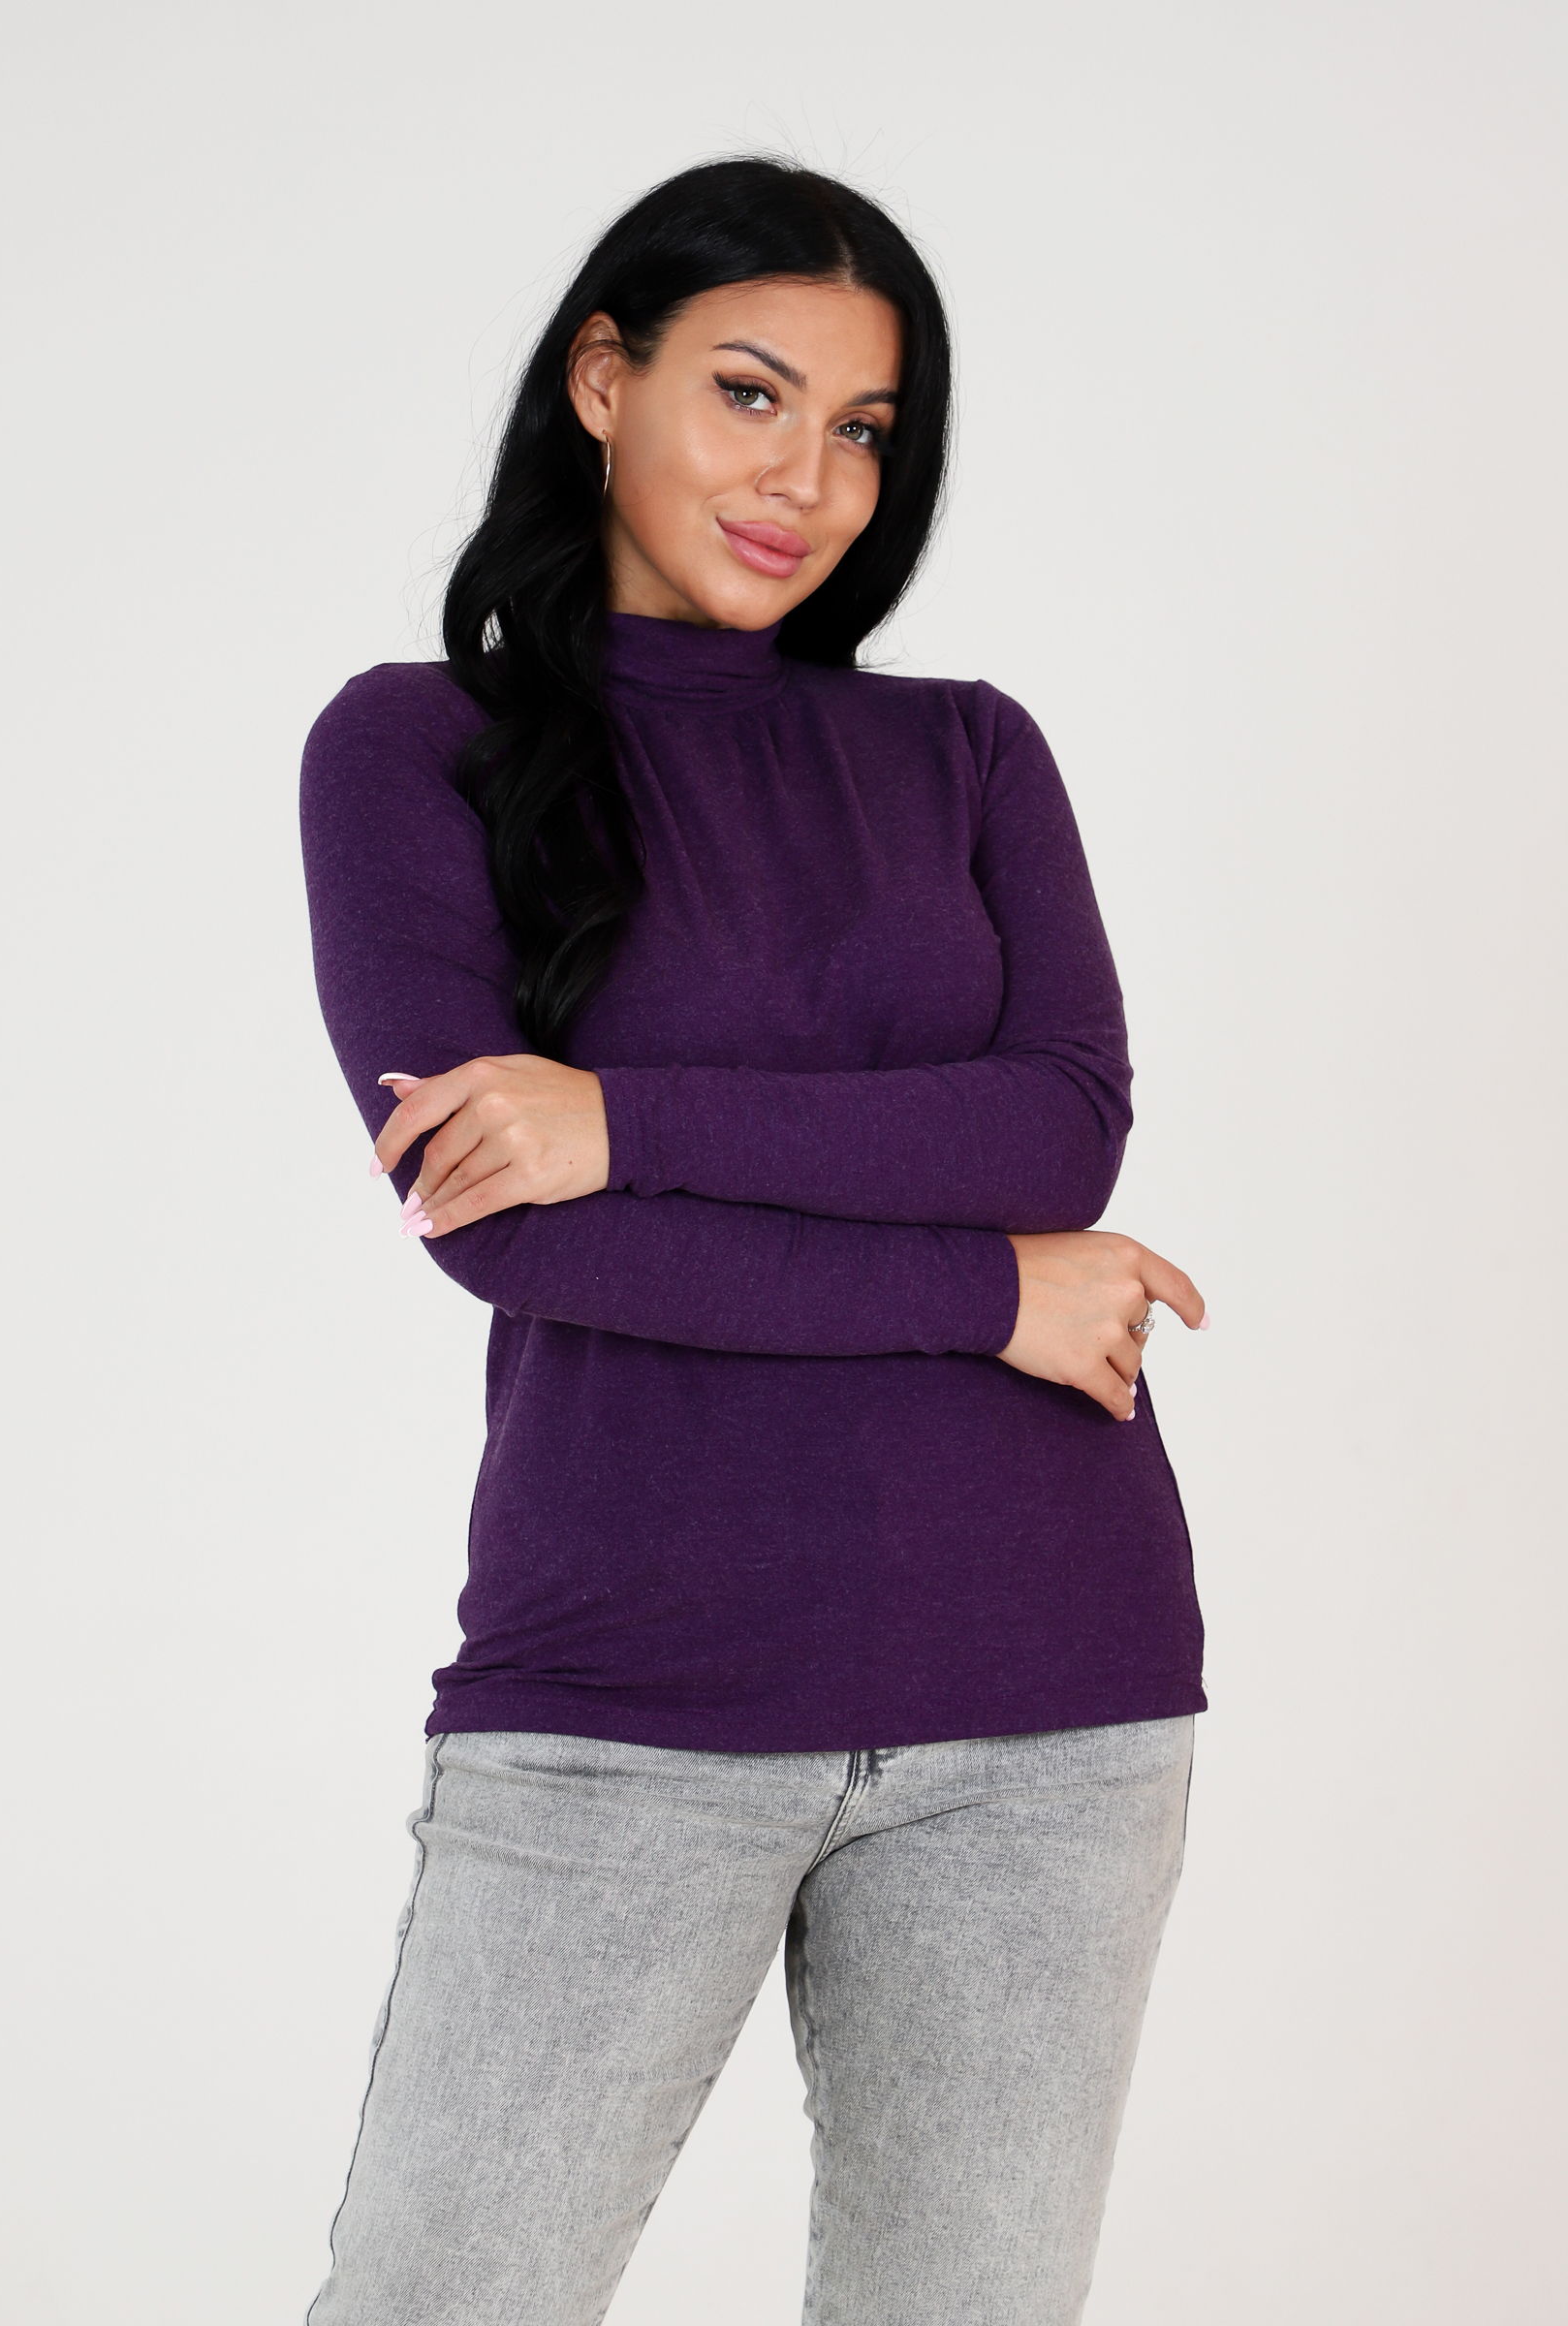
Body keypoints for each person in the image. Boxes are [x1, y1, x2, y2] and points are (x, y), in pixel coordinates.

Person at [298, 155, 1209, 2326]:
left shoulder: (966, 752)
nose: (810, 479)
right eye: (750, 393)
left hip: (1050, 1690)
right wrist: (985, 1290)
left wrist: (622, 1120)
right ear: (602, 379)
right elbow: (509, 1235)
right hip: (629, 1683)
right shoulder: (415, 749)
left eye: (864, 429)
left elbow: (1057, 1123)